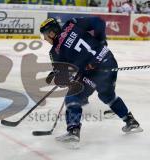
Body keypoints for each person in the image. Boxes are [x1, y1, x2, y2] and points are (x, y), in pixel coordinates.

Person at [40, 17, 143, 145]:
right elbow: (99, 22)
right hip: (109, 60)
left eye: (45, 35)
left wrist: (59, 78)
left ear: (51, 33)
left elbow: (63, 79)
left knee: (73, 96)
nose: (45, 39)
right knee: (107, 95)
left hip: (94, 72)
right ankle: (130, 121)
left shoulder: (55, 52)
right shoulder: (71, 24)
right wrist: (102, 41)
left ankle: (73, 131)